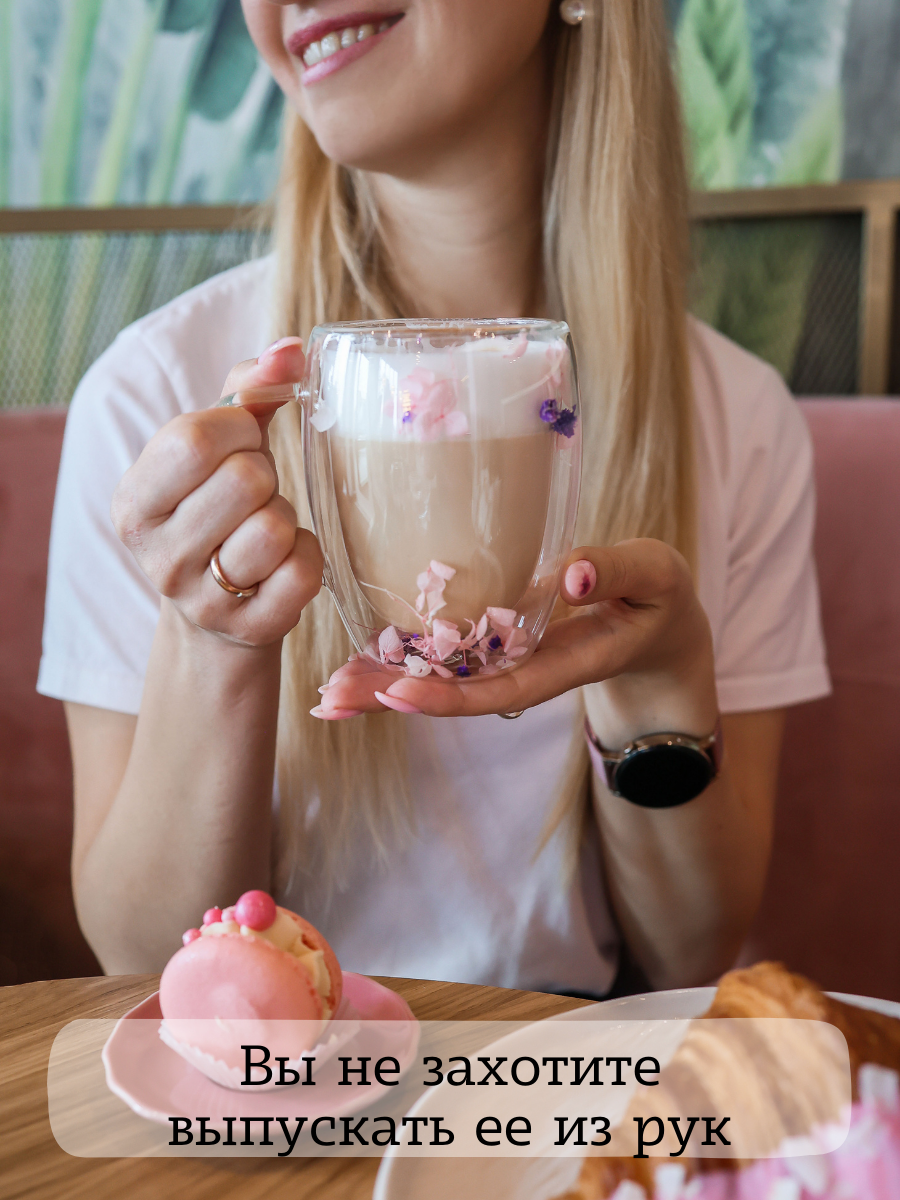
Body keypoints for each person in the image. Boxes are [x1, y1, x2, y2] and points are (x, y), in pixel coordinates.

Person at [39, 0, 829, 991]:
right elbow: (143, 964)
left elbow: (689, 957)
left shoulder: (740, 418)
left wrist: (659, 688)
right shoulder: (160, 400)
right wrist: (213, 642)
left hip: (566, 1097)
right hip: (272, 1109)